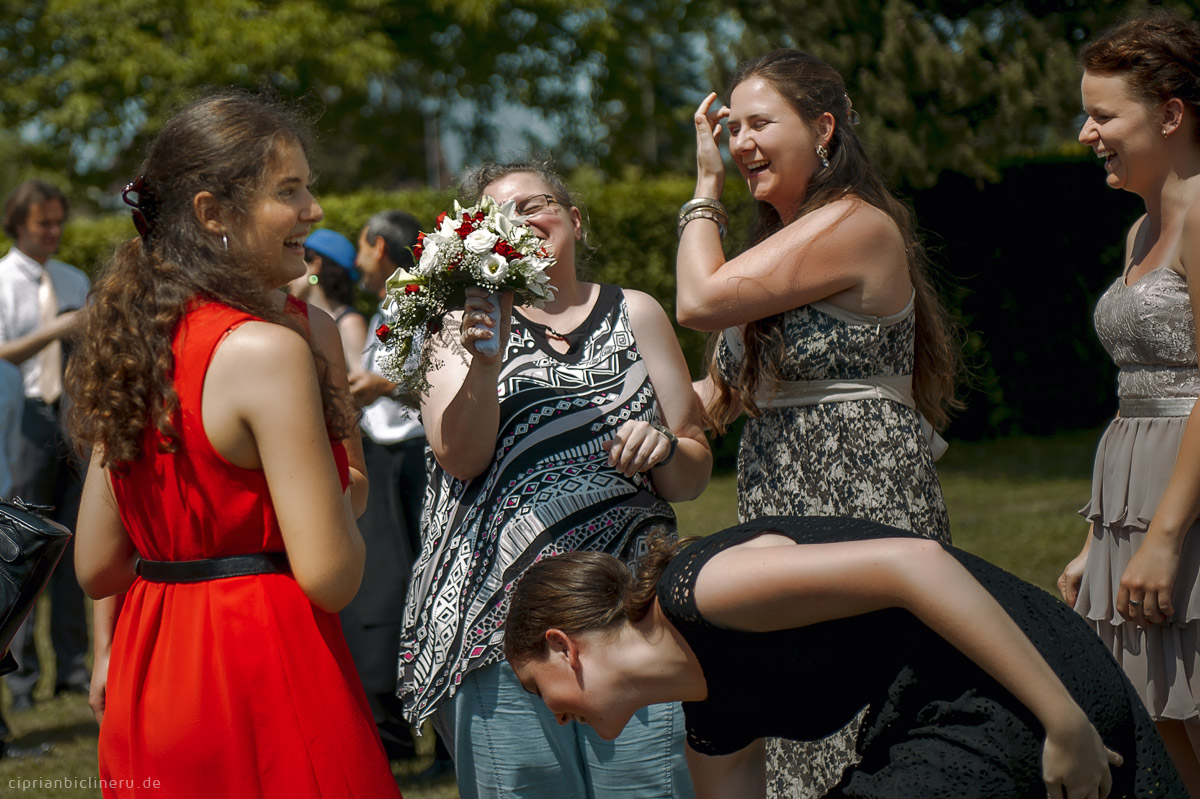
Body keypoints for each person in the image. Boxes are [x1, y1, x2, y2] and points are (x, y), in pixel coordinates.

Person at [65, 91, 400, 798]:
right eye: (289, 191)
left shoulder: (134, 341)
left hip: (151, 665)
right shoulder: (268, 350)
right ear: (213, 213)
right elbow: (332, 574)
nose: (314, 210)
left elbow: (96, 565)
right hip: (263, 665)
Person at [677, 48, 961, 794]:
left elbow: (699, 299)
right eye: (730, 128)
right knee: (799, 718)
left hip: (859, 496)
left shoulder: (856, 224)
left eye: (759, 122)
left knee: (871, 715)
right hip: (777, 504)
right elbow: (717, 394)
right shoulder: (776, 248)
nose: (739, 144)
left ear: (824, 127)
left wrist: (703, 191)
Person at [397, 160, 712, 799]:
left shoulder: (638, 312)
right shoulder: (453, 328)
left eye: (538, 203)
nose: (525, 219)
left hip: (627, 611)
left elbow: (692, 470)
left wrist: (664, 447)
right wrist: (484, 366)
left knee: (647, 789)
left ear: (574, 218)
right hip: (499, 623)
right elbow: (461, 457)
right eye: (499, 214)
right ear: (475, 238)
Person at [507, 516, 1185, 799]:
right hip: (937, 710)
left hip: (1019, 683)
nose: (554, 717)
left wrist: (1065, 724)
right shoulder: (712, 724)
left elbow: (913, 561)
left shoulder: (702, 591)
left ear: (564, 648)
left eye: (542, 692)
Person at [1057, 10, 1200, 795]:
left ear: (1172, 114)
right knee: (1164, 731)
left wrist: (1166, 538)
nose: (1086, 132)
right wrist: (1101, 540)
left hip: (1187, 508)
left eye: (1104, 114)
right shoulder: (1140, 230)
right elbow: (1136, 398)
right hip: (1136, 511)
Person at [340, 208, 448, 769]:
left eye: (361, 246)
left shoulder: (421, 300)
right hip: (388, 458)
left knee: (429, 586)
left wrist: (381, 386)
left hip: (418, 458)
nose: (358, 260)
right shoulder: (392, 301)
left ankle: (448, 743)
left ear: (380, 246)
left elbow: (442, 382)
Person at [0, 179, 91, 711]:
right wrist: (54, 330)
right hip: (25, 418)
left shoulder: (73, 277)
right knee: (23, 549)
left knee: (73, 546)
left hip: (71, 417)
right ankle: (19, 678)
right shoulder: (4, 279)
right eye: (43, 223)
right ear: (18, 223)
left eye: (59, 221)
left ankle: (73, 668)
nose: (54, 232)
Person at [288, 227, 368, 371]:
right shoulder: (296, 319)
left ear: (315, 266)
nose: (289, 278)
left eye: (298, 262)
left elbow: (363, 384)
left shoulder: (349, 322)